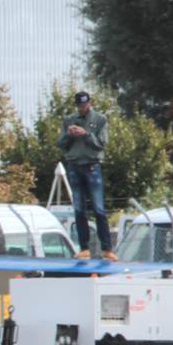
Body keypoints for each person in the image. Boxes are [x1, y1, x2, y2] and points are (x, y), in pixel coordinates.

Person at [57, 91, 116, 261]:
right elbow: (61, 144)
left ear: (89, 103)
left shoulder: (100, 119)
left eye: (85, 105)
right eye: (80, 106)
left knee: (98, 209)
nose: (83, 108)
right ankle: (84, 248)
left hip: (91, 166)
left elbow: (101, 144)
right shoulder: (69, 120)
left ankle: (107, 248)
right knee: (79, 209)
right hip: (74, 166)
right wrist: (69, 134)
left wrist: (85, 134)